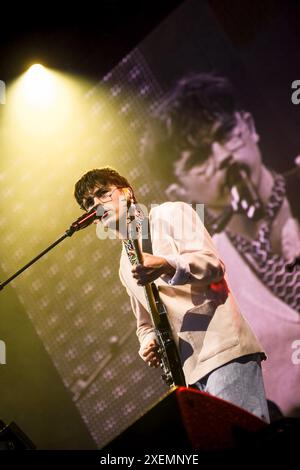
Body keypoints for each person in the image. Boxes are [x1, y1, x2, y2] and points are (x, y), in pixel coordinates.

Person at [140, 72, 300, 418]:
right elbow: (195, 336)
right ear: (179, 193)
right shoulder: (205, 267)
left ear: (249, 126)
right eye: (199, 159)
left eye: (226, 133)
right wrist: (154, 338)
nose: (222, 156)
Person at [74, 167, 270, 422]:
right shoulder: (124, 264)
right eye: (89, 204)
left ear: (127, 192)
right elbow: (144, 324)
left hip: (222, 349)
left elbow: (213, 265)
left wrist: (167, 264)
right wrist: (147, 342)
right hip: (187, 375)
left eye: (102, 194)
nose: (96, 206)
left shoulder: (170, 213)